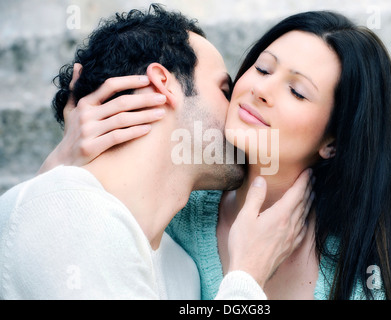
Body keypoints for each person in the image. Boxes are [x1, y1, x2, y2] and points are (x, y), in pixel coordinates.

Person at [39, 11, 391, 299]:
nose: (261, 90)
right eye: (263, 68)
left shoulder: (387, 256)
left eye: (297, 91)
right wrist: (63, 161)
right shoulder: (175, 210)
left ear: (334, 141)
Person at [0, 5, 313, 300]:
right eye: (224, 91)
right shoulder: (70, 214)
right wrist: (247, 273)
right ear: (164, 83)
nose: (239, 109)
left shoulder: (182, 269)